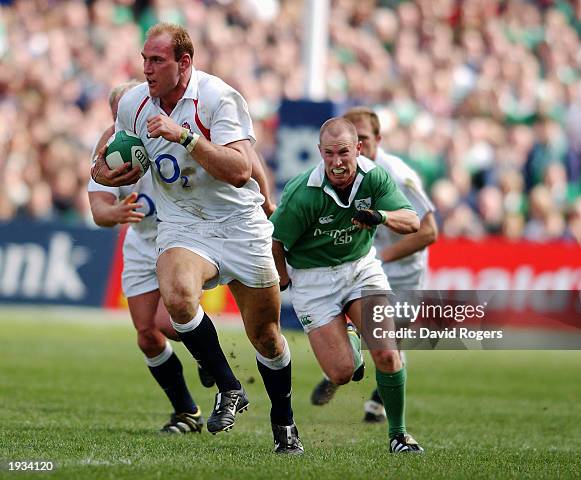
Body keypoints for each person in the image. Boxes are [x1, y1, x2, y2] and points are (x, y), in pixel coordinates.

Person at [91, 23, 302, 454]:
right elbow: (107, 159)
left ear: (184, 62)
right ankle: (228, 386)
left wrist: (184, 136)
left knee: (266, 336)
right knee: (177, 293)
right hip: (184, 222)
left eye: (157, 61)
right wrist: (104, 172)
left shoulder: (218, 97)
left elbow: (241, 169)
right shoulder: (132, 103)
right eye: (144, 60)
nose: (146, 69)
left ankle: (284, 422)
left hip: (239, 222)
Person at [270, 117, 424, 453]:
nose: (337, 162)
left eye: (344, 152)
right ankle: (351, 341)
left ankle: (398, 435)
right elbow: (275, 240)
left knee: (386, 352)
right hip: (313, 281)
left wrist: (380, 216)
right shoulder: (303, 193)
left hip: (360, 268)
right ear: (320, 153)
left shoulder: (375, 177)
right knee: (341, 373)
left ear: (358, 149)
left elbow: (412, 221)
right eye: (329, 154)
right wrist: (282, 279)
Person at [89, 80, 217, 434]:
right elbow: (99, 207)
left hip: (179, 235)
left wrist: (145, 205)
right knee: (146, 334)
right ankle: (187, 413)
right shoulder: (108, 145)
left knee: (166, 321)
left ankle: (207, 352)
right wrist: (113, 215)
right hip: (140, 241)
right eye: (118, 114)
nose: (126, 118)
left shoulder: (170, 134)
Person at [310, 107, 438, 424]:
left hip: (404, 271)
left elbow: (429, 231)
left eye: (364, 139)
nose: (358, 147)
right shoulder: (339, 173)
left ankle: (357, 373)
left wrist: (383, 257)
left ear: (377, 139)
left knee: (386, 337)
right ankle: (352, 370)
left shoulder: (395, 174)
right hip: (364, 264)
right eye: (353, 140)